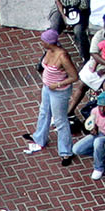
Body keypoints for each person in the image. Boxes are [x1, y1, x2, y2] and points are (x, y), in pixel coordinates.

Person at [23, 30, 78, 161]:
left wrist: (58, 84)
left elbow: (74, 76)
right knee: (44, 111)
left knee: (60, 120)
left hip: (59, 92)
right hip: (47, 88)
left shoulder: (63, 56)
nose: (41, 43)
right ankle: (39, 138)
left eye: (43, 41)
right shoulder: (48, 51)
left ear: (49, 42)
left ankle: (66, 151)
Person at [69, 91, 105, 180]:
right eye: (100, 106)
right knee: (76, 149)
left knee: (97, 142)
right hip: (100, 133)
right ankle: (101, 156)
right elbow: (94, 122)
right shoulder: (94, 111)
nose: (102, 109)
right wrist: (94, 129)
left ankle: (98, 168)